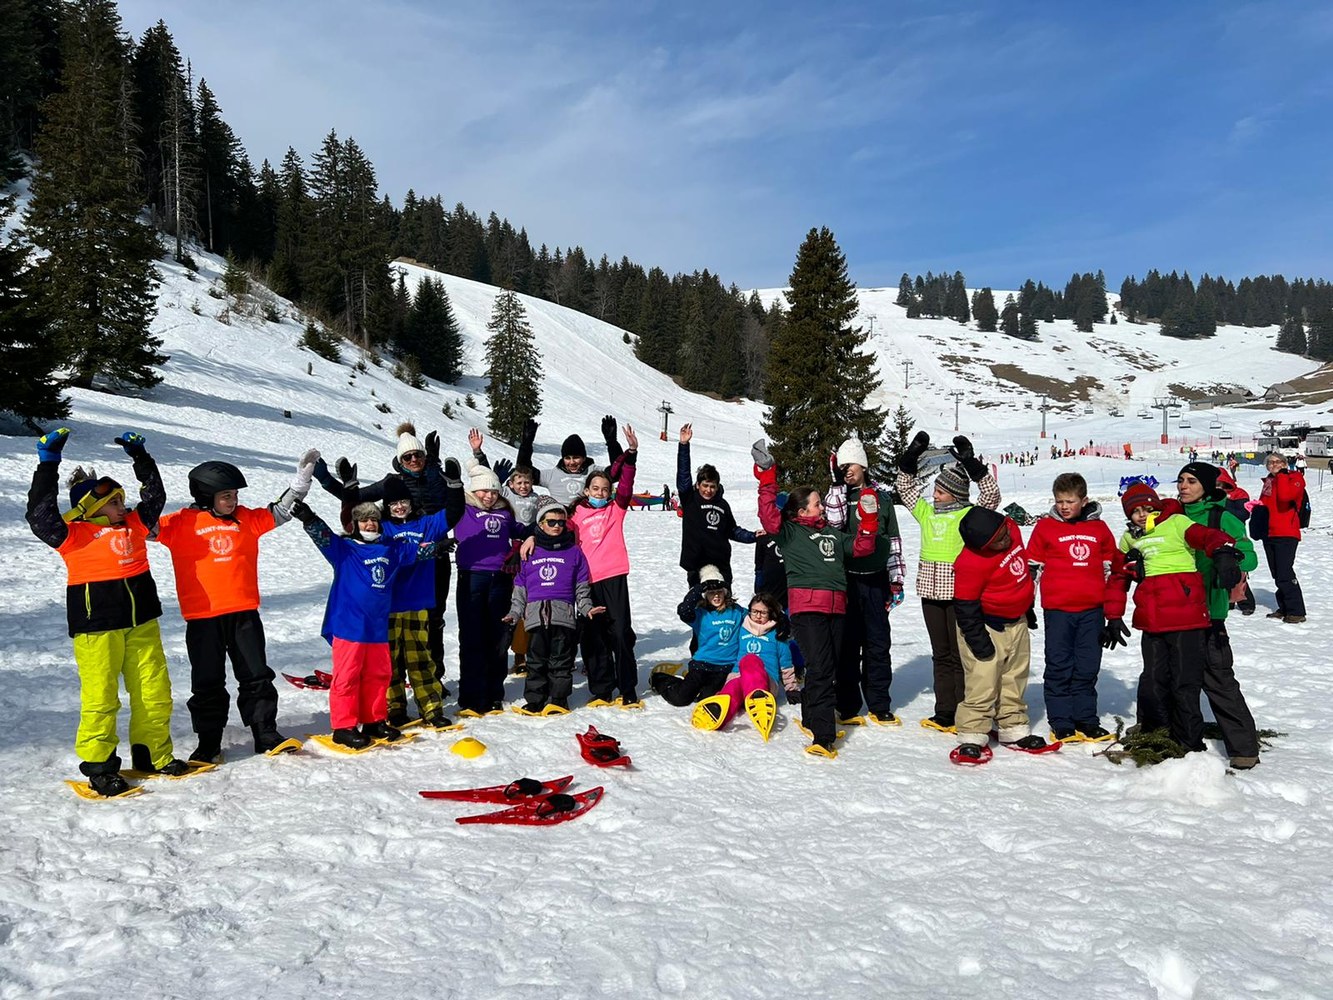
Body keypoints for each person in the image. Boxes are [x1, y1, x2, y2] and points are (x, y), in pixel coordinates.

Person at [26, 428, 187, 795]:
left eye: (121, 500)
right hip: (97, 628)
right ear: (91, 509)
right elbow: (39, 514)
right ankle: (100, 768)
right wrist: (48, 463)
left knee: (154, 690)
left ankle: (152, 754)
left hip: (142, 622)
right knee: (101, 697)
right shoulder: (71, 534)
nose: (122, 507)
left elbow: (155, 495)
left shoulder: (135, 524)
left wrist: (141, 458)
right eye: (114, 502)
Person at [153, 450, 319, 762]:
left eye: (235, 495)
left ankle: (265, 732)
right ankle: (209, 742)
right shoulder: (180, 523)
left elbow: (281, 511)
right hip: (203, 618)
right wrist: (93, 504)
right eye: (226, 496)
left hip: (244, 614)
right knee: (207, 682)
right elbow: (141, 527)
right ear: (206, 497)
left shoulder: (246, 519)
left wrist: (301, 482)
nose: (233, 500)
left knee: (256, 676)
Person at [315, 422, 465, 685]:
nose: (414, 460)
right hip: (396, 557)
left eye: (418, 455)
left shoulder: (437, 476)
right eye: (408, 457)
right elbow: (358, 500)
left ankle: (432, 676)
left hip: (434, 554)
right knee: (394, 617)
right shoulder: (391, 483)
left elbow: (454, 506)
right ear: (400, 461)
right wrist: (329, 481)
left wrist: (444, 473)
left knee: (433, 618)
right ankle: (393, 675)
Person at [753, 438, 876, 758]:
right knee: (820, 669)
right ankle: (823, 735)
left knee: (827, 667)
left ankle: (811, 715)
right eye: (817, 503)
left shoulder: (832, 534)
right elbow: (768, 516)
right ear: (801, 510)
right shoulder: (790, 532)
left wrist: (869, 521)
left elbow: (862, 548)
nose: (822, 507)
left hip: (837, 609)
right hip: (807, 611)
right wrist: (767, 476)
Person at [290, 498, 443, 748]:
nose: (370, 523)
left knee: (379, 675)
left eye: (373, 519)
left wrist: (438, 546)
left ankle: (374, 720)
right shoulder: (345, 549)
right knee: (347, 677)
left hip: (377, 627)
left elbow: (416, 551)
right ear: (355, 525)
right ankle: (344, 727)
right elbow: (324, 537)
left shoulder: (390, 549)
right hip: (350, 626)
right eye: (364, 520)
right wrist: (310, 518)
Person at [1113, 481, 1241, 755]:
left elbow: (1208, 536)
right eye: (1135, 511)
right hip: (1152, 619)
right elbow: (1118, 575)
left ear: (1157, 507)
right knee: (1154, 680)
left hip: (1186, 617)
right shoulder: (1129, 538)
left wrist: (1223, 552)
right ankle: (1159, 735)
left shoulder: (1176, 522)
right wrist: (1113, 615)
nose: (1142, 515)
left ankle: (1189, 742)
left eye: (1148, 509)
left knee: (1185, 682)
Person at [894, 431, 1002, 733]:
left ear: (955, 494)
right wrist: (911, 457)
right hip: (930, 595)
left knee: (960, 654)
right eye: (935, 490)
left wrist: (971, 463)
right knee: (940, 654)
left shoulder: (969, 515)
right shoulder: (927, 513)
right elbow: (905, 488)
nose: (935, 495)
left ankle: (966, 709)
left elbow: (992, 496)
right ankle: (944, 711)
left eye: (940, 491)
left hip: (959, 595)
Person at [1024, 472, 1124, 743]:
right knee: (1059, 665)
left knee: (1087, 666)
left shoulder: (1099, 529)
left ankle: (1086, 719)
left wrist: (1112, 612)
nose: (1064, 507)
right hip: (1058, 611)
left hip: (1092, 611)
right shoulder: (1045, 527)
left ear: (1084, 500)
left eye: (1070, 501)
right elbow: (1033, 568)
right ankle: (1061, 722)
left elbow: (1111, 569)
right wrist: (1027, 603)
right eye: (1059, 501)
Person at [951, 507, 1054, 763]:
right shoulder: (970, 563)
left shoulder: (1010, 528)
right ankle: (972, 733)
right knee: (982, 680)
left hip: (1017, 620)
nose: (1005, 540)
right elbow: (965, 606)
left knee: (1014, 676)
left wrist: (1026, 607)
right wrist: (977, 640)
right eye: (997, 542)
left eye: (1004, 534)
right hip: (986, 625)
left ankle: (1012, 726)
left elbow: (1019, 574)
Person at [1176, 463, 1262, 769]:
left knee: (1218, 678)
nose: (1183, 486)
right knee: (1172, 676)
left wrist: (1231, 560)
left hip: (1209, 610)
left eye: (1191, 481)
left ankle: (1244, 748)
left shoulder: (1221, 516)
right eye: (1181, 480)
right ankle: (1171, 734)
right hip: (1173, 610)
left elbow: (1249, 555)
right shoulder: (1171, 515)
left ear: (1206, 486)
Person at [824, 436, 905, 726]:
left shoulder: (883, 499)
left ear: (864, 466)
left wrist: (896, 579)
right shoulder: (839, 498)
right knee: (848, 644)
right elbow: (833, 523)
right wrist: (837, 486)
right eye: (842, 466)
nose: (847, 470)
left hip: (876, 581)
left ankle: (879, 702)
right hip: (847, 580)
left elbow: (893, 539)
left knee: (877, 643)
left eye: (851, 465)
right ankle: (847, 703)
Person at [504, 497, 601, 715]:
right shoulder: (529, 551)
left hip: (563, 616)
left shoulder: (574, 552)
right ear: (540, 524)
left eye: (561, 522)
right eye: (551, 522)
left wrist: (586, 608)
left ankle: (559, 699)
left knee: (561, 661)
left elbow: (581, 587)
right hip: (535, 617)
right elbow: (520, 588)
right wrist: (514, 613)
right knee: (536, 662)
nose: (557, 526)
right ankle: (535, 700)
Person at [570, 425, 640, 706]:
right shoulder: (574, 514)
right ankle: (602, 688)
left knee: (620, 633)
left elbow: (626, 484)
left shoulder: (616, 509)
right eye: (595, 489)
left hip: (613, 577)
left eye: (605, 489)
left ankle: (627, 687)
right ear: (586, 490)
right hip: (586, 581)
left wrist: (631, 454)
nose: (600, 492)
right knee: (593, 638)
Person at [378, 480, 456, 729]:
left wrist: (454, 485)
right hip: (389, 605)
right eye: (393, 503)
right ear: (387, 507)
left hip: (418, 603)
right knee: (390, 661)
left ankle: (431, 709)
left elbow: (454, 513)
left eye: (403, 501)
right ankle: (395, 707)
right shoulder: (381, 528)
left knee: (421, 657)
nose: (399, 507)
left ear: (411, 503)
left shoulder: (426, 524)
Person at [454, 460, 526, 716]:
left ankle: (495, 693)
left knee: (497, 636)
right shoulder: (462, 508)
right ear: (474, 490)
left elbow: (523, 531)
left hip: (500, 578)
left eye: (494, 491)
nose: (489, 496)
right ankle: (471, 695)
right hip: (472, 577)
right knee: (472, 636)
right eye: (484, 490)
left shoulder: (505, 512)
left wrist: (520, 545)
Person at [675, 423, 758, 588]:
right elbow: (683, 476)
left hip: (721, 565)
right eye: (705, 485)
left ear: (717, 486)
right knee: (700, 602)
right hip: (697, 565)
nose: (708, 490)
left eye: (712, 486)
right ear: (698, 485)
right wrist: (684, 445)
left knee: (724, 602)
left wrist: (753, 536)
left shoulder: (722, 505)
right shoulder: (690, 499)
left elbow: (732, 530)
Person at [652, 565, 745, 709]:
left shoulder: (737, 611)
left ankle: (699, 689)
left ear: (725, 592)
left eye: (719, 592)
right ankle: (659, 679)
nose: (716, 596)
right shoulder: (700, 613)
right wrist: (700, 587)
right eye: (711, 592)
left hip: (725, 667)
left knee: (706, 699)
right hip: (702, 664)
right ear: (705, 595)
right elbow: (683, 610)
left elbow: (757, 616)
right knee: (681, 698)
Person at [516, 414, 623, 505]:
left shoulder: (594, 472)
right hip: (560, 520)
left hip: (587, 519)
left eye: (576, 458)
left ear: (584, 458)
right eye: (567, 458)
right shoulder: (552, 475)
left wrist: (612, 442)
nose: (572, 462)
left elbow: (618, 471)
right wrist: (526, 444)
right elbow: (523, 470)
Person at [1255, 451, 1307, 623]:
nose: (1274, 464)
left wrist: (1283, 475)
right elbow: (1266, 506)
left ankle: (1296, 611)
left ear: (1285, 464)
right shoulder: (1269, 481)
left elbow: (1285, 497)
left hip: (1286, 532)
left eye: (1278, 462)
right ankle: (1284, 607)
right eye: (1270, 462)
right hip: (1269, 533)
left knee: (1285, 572)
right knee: (1277, 573)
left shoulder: (1295, 477)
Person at [1214, 467, 1257, 614]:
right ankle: (1228, 601)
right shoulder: (1209, 495)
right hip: (1218, 534)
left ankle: (1246, 603)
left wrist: (1222, 504)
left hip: (1235, 534)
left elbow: (1243, 514)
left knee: (1238, 570)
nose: (1217, 487)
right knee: (1221, 568)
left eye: (1219, 484)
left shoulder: (1239, 494)